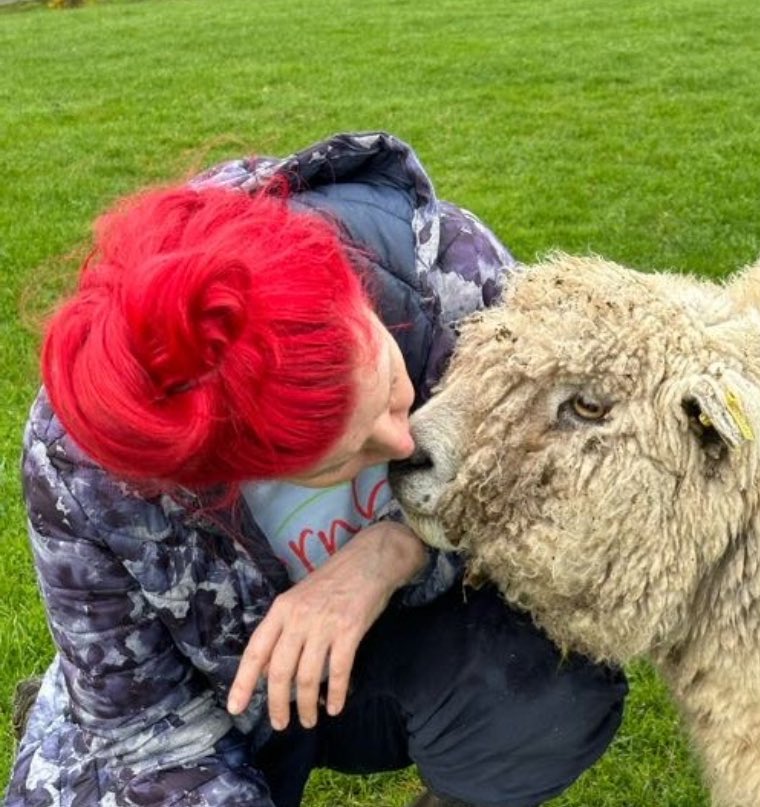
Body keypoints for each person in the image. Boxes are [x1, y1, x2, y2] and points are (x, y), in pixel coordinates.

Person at [6, 132, 627, 807]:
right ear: (227, 473)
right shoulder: (82, 466)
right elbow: (147, 736)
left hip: (416, 639)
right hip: (222, 686)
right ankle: (61, 704)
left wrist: (395, 549)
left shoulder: (454, 276)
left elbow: (562, 495)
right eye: (348, 457)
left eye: (389, 378)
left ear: (349, 284)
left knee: (551, 691)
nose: (400, 440)